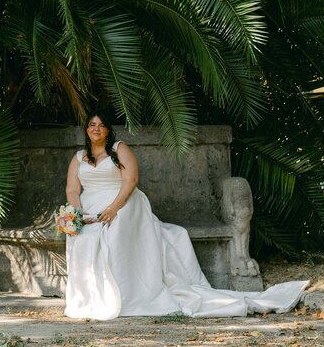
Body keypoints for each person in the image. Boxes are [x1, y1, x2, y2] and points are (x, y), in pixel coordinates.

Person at [64, 110, 307, 320]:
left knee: (113, 229)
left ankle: (126, 293)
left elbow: (131, 180)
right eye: (92, 125)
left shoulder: (119, 149)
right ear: (87, 129)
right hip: (88, 208)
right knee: (82, 236)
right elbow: (73, 189)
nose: (96, 129)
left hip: (122, 202)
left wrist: (114, 208)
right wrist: (76, 213)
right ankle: (92, 297)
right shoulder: (78, 158)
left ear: (108, 130)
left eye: (101, 125)